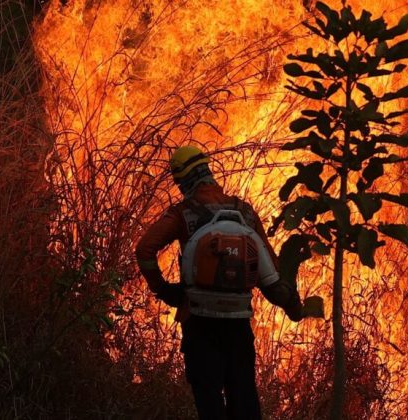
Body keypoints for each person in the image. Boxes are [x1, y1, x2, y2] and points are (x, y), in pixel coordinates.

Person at [135, 145, 323, 420]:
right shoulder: (243, 212)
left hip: (198, 322)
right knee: (244, 399)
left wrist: (164, 290)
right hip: (238, 325)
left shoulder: (182, 213)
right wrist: (295, 309)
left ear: (181, 180)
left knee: (209, 403)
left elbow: (144, 250)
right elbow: (271, 274)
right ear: (208, 171)